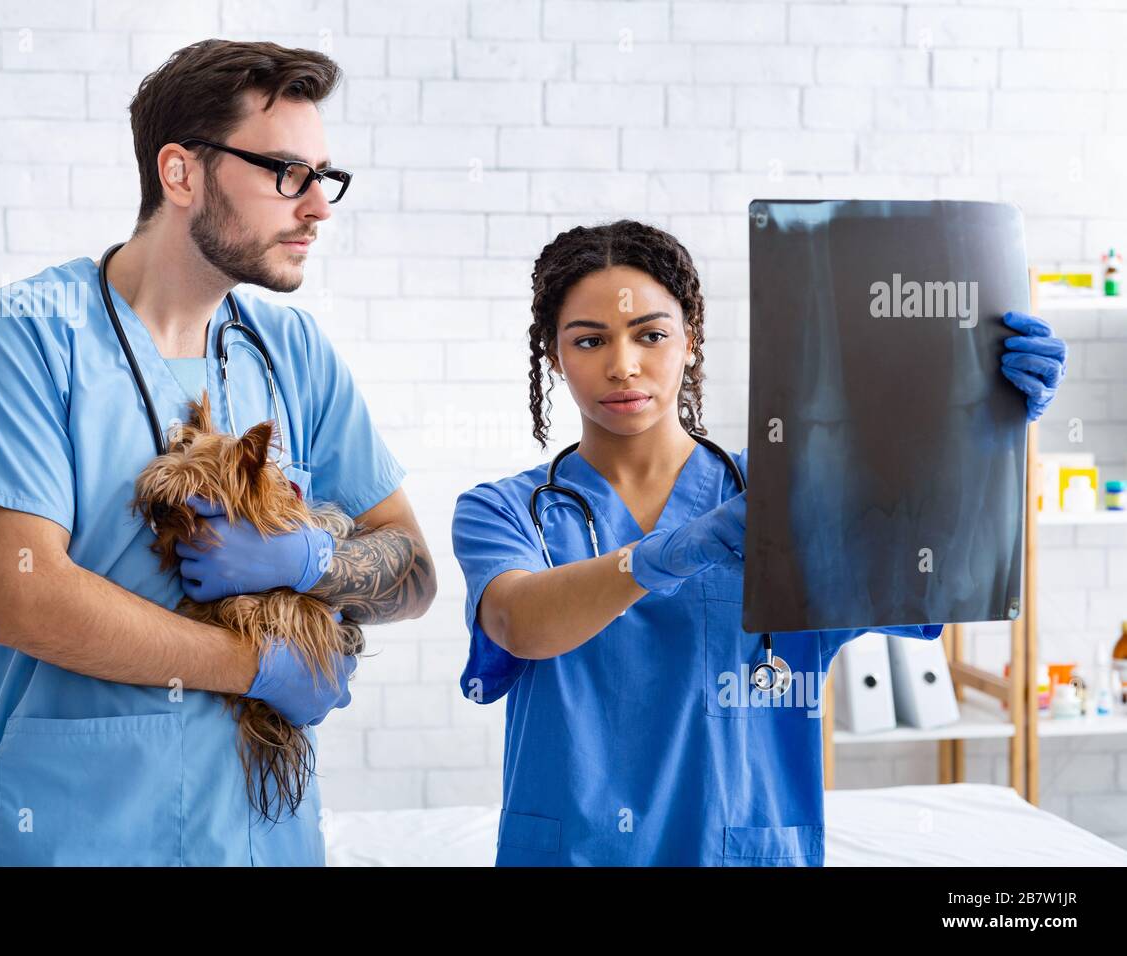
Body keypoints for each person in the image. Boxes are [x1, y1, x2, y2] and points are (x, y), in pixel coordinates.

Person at [0, 40, 436, 866]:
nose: (318, 208)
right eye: (286, 172)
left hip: (264, 840)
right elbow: (25, 600)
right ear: (181, 174)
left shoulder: (291, 351)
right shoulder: (21, 336)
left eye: (325, 177)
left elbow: (413, 572)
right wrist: (258, 663)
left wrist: (311, 560)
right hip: (71, 836)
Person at [450, 220, 1066, 866]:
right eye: (589, 340)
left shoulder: (793, 494)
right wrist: (667, 552)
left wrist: (987, 431)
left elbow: (932, 568)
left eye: (651, 334)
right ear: (553, 355)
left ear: (691, 340)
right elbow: (519, 621)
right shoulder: (506, 510)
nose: (623, 364)